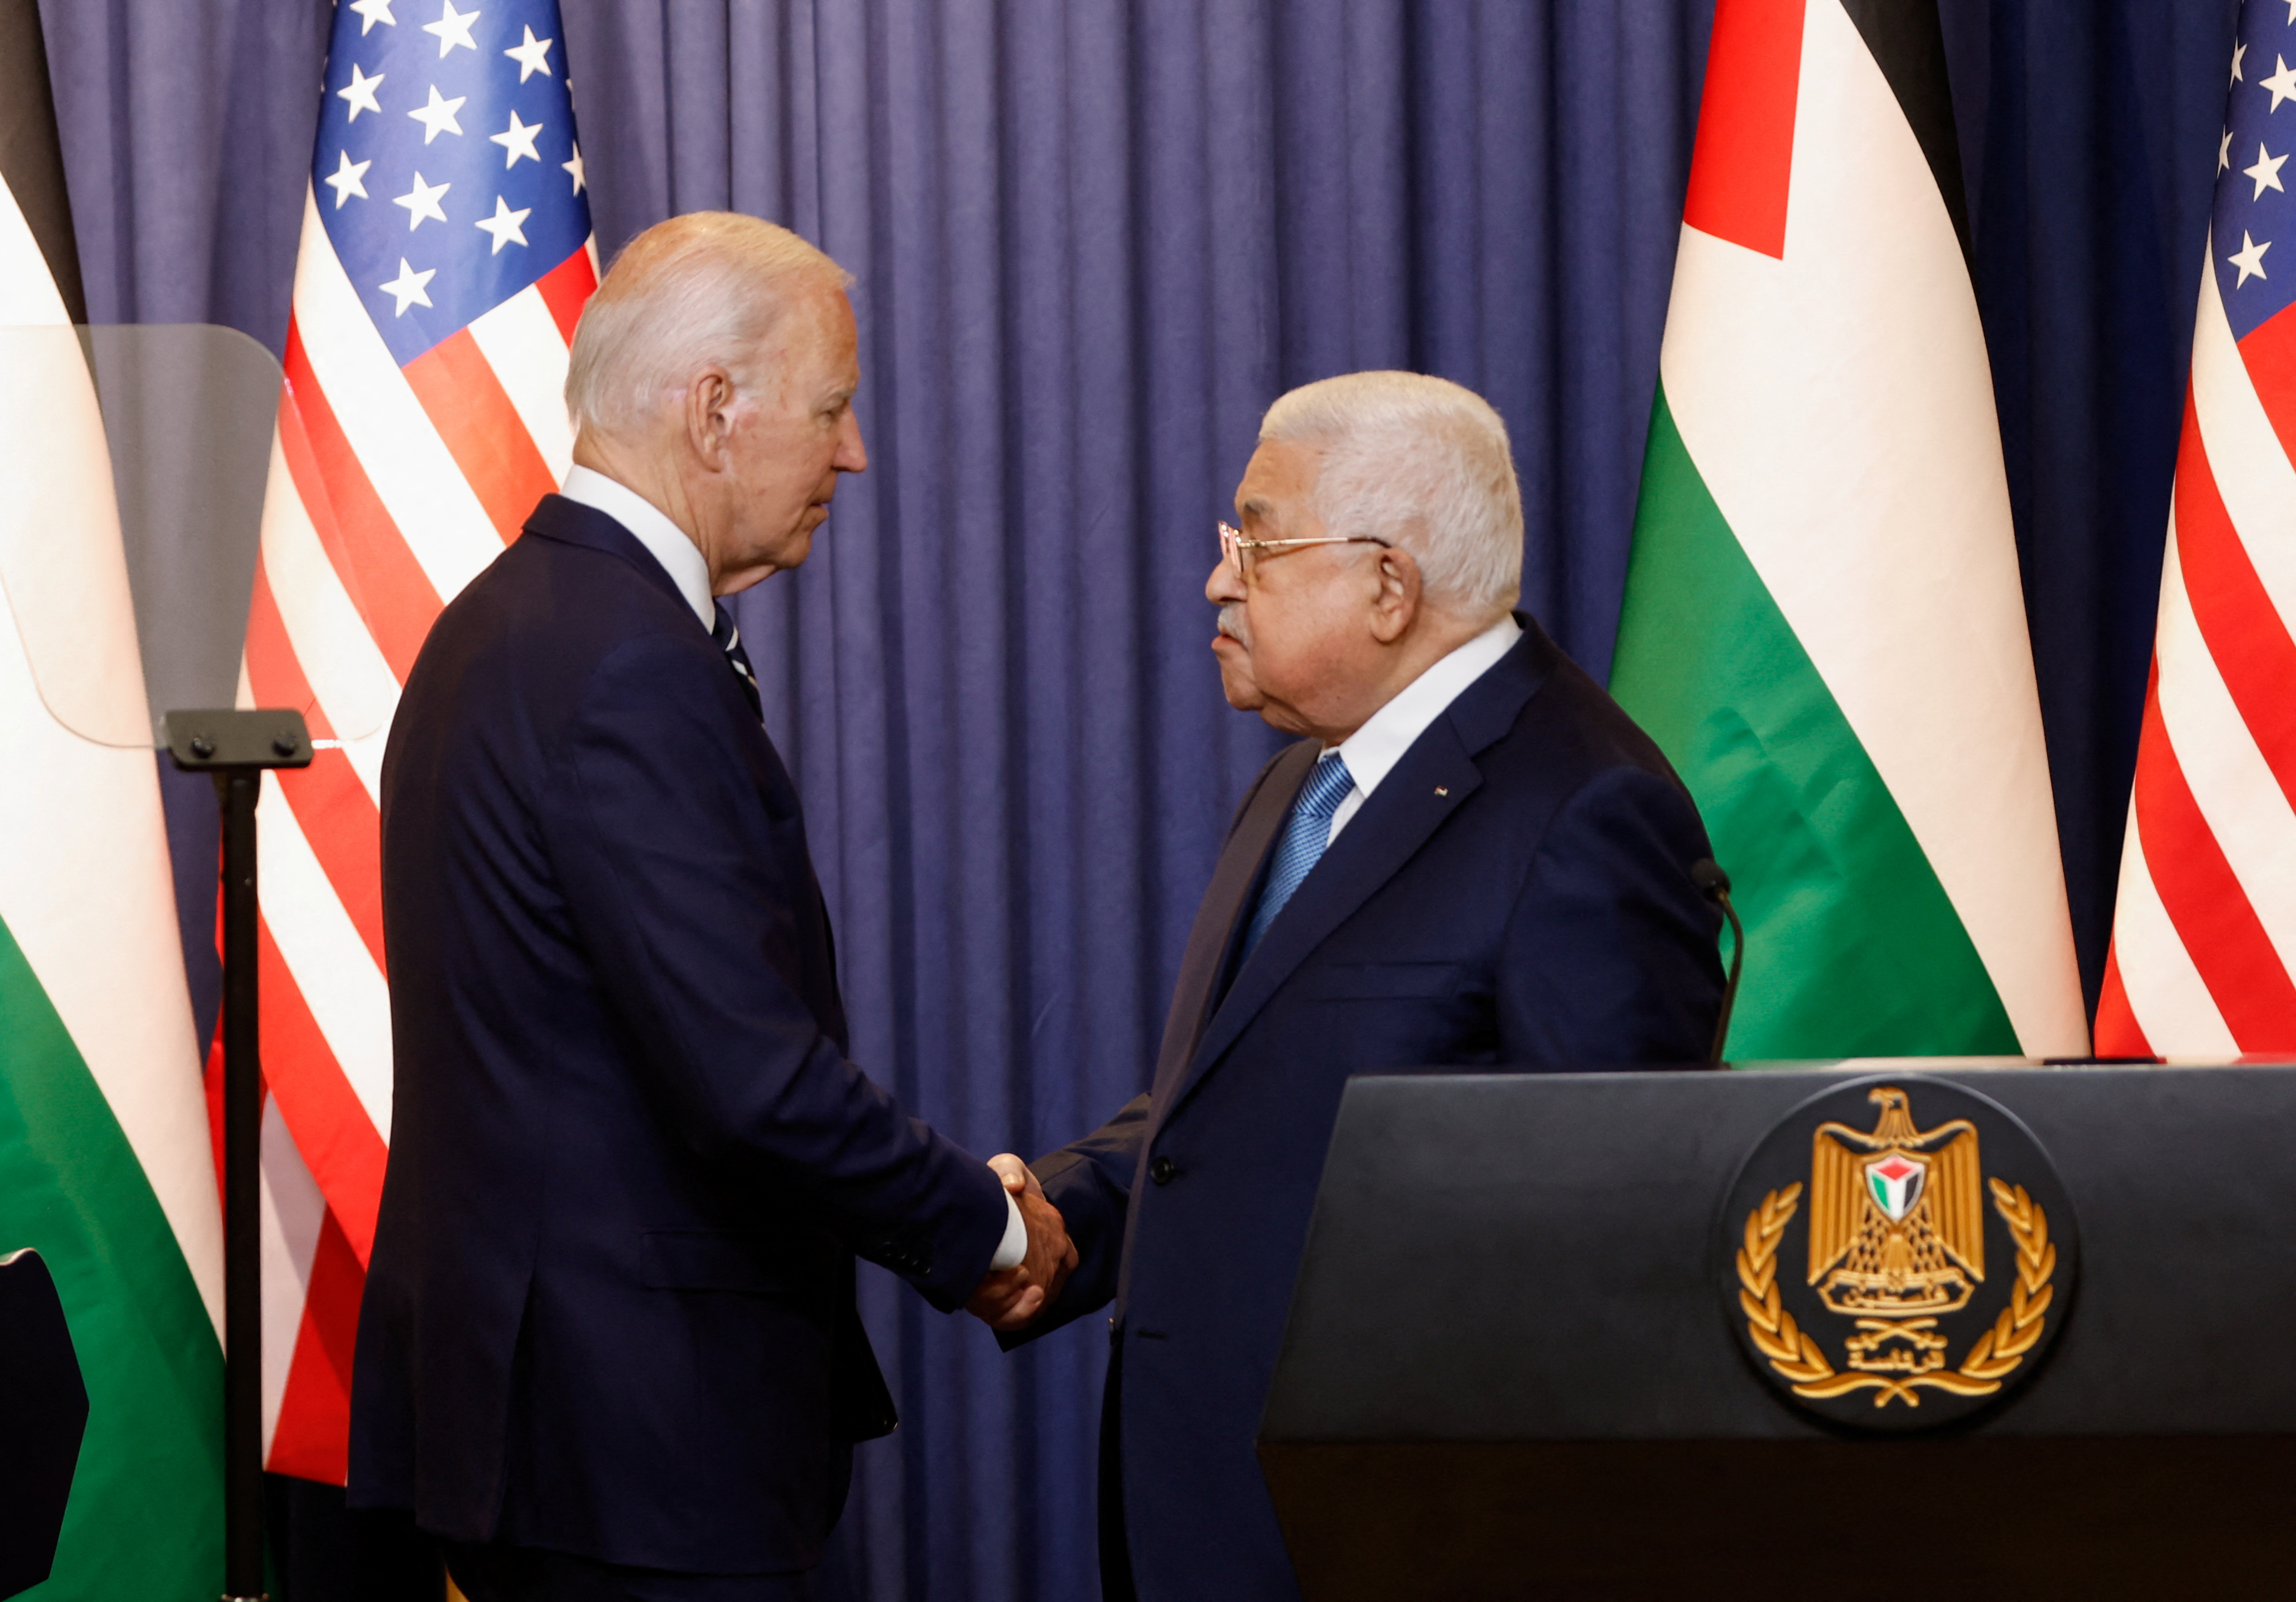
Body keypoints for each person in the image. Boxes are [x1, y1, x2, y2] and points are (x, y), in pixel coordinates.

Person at [349, 212, 1074, 1600]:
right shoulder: (622, 661)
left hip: (554, 1430)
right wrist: (982, 1229)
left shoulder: (503, 625)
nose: (851, 454)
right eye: (833, 408)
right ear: (715, 409)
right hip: (635, 1445)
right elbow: (747, 1076)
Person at [987, 372, 1725, 1601]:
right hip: (1214, 1517)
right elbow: (1233, 1107)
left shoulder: (1586, 808)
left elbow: (1613, 1258)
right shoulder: (1306, 776)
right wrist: (1055, 1216)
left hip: (1395, 1539)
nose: (1219, 579)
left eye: (1257, 541)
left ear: (1388, 584)